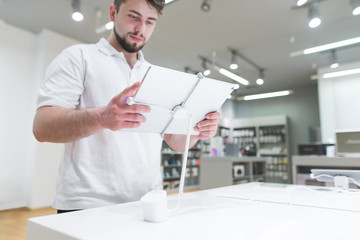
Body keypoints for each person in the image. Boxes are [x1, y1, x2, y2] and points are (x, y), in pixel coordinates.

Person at [33, 0, 221, 213]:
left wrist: (197, 130)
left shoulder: (156, 75)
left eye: (150, 21)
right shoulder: (79, 57)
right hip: (87, 204)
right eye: (134, 16)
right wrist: (102, 117)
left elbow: (175, 141)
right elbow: (42, 126)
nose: (141, 28)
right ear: (113, 13)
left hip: (147, 202)